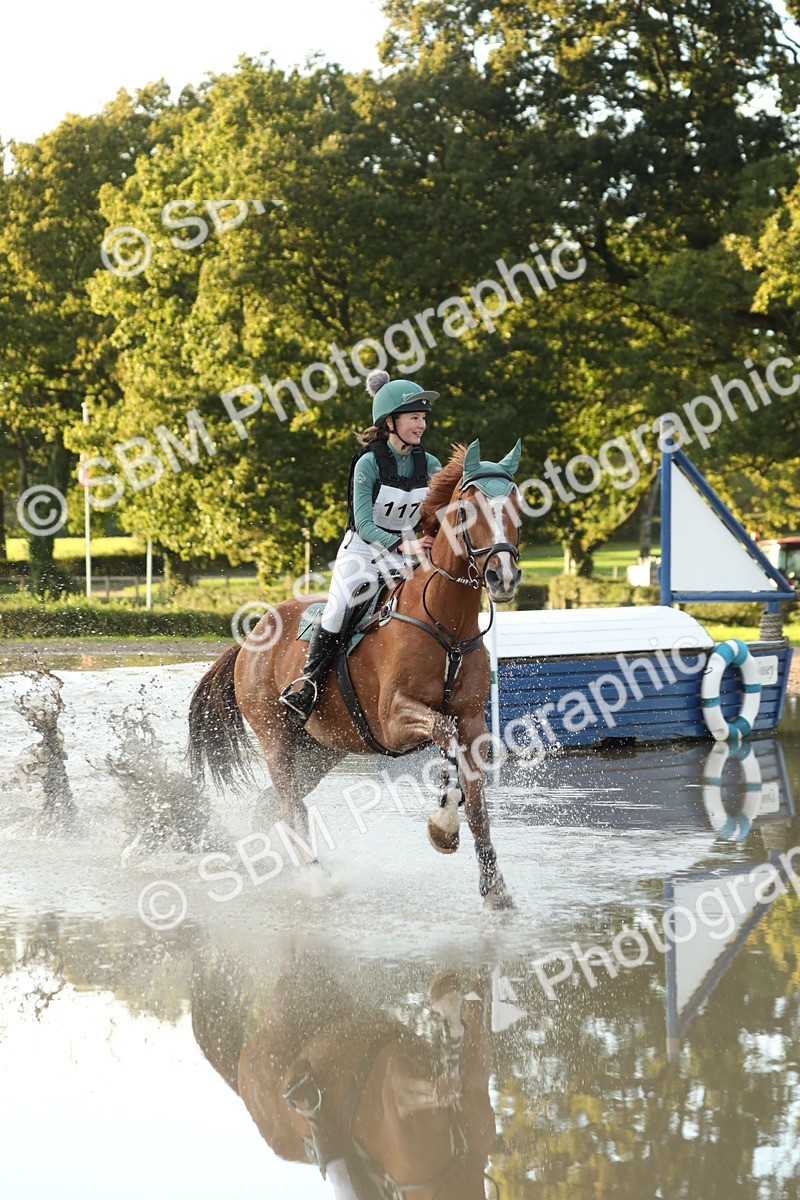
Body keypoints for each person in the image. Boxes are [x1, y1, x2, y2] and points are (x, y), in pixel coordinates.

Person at [280, 369, 442, 721]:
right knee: (338, 609)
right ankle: (308, 684)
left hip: (408, 553)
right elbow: (365, 524)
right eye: (414, 417)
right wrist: (404, 544)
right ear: (390, 422)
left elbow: (436, 515)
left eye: (423, 418)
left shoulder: (429, 464)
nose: (421, 425)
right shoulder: (369, 463)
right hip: (363, 553)